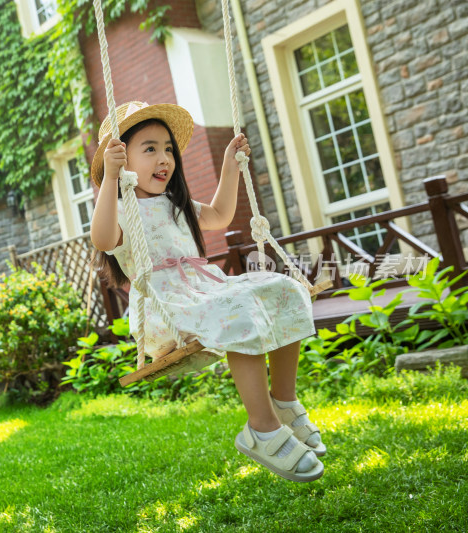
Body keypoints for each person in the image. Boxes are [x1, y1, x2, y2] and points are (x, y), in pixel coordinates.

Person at [90, 101, 326, 483]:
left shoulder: (176, 203)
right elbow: (102, 239)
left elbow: (218, 216)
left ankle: (283, 400)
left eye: (168, 148)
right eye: (149, 148)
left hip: (203, 288)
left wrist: (231, 166)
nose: (164, 157)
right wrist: (112, 179)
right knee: (237, 308)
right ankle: (262, 429)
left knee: (283, 288)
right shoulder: (121, 209)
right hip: (165, 307)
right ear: (123, 158)